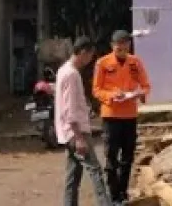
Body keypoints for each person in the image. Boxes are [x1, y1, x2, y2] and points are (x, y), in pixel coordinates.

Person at [93, 30, 151, 204]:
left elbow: (146, 86)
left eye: (125, 44)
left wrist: (140, 94)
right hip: (111, 115)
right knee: (111, 157)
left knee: (127, 157)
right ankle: (113, 193)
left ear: (129, 45)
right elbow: (96, 90)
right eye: (119, 44)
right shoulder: (102, 63)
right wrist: (111, 95)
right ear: (112, 45)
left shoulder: (136, 62)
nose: (122, 47)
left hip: (129, 115)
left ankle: (123, 193)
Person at [55, 36, 112, 206]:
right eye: (89, 56)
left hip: (68, 131)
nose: (89, 60)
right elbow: (70, 108)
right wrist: (79, 137)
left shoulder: (64, 70)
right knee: (95, 171)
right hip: (76, 133)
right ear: (82, 53)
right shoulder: (72, 74)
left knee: (73, 176)